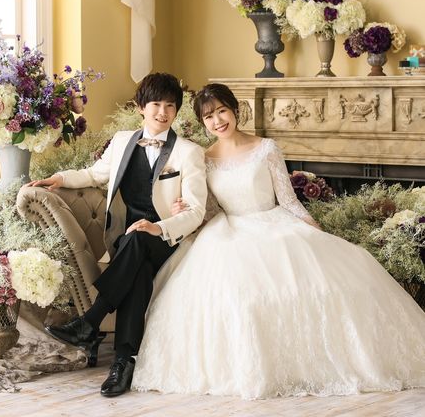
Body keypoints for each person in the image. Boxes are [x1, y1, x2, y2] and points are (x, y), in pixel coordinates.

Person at [132, 83, 425, 399]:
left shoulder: (266, 148)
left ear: (235, 110)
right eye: (208, 117)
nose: (217, 121)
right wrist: (183, 210)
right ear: (203, 123)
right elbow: (210, 209)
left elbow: (288, 200)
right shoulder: (204, 158)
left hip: (273, 223)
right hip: (228, 232)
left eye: (222, 111)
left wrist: (313, 228)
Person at [27, 73, 207, 397]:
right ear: (141, 107)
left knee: (139, 242)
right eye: (155, 104)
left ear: (177, 110)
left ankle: (91, 323)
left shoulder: (189, 152)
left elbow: (196, 211)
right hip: (127, 239)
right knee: (137, 263)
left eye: (170, 106)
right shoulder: (123, 140)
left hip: (167, 240)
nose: (162, 112)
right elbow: (94, 174)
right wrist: (60, 179)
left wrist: (159, 227)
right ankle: (123, 360)